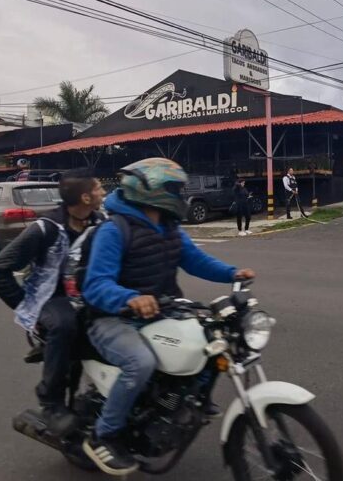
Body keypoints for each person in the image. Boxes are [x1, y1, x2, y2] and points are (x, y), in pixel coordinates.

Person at [80, 158, 255, 475]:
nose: (179, 194)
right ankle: (103, 435)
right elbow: (95, 285)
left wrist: (232, 273)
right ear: (148, 189)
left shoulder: (169, 226)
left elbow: (195, 260)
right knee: (140, 362)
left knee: (212, 338)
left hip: (160, 310)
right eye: (173, 188)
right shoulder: (114, 229)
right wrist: (131, 298)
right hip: (112, 319)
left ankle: (186, 401)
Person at [0, 169, 106, 436]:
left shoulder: (99, 223)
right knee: (65, 326)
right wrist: (30, 310)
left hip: (86, 296)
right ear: (85, 197)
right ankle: (51, 402)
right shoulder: (45, 229)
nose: (103, 191)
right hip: (51, 298)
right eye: (99, 187)